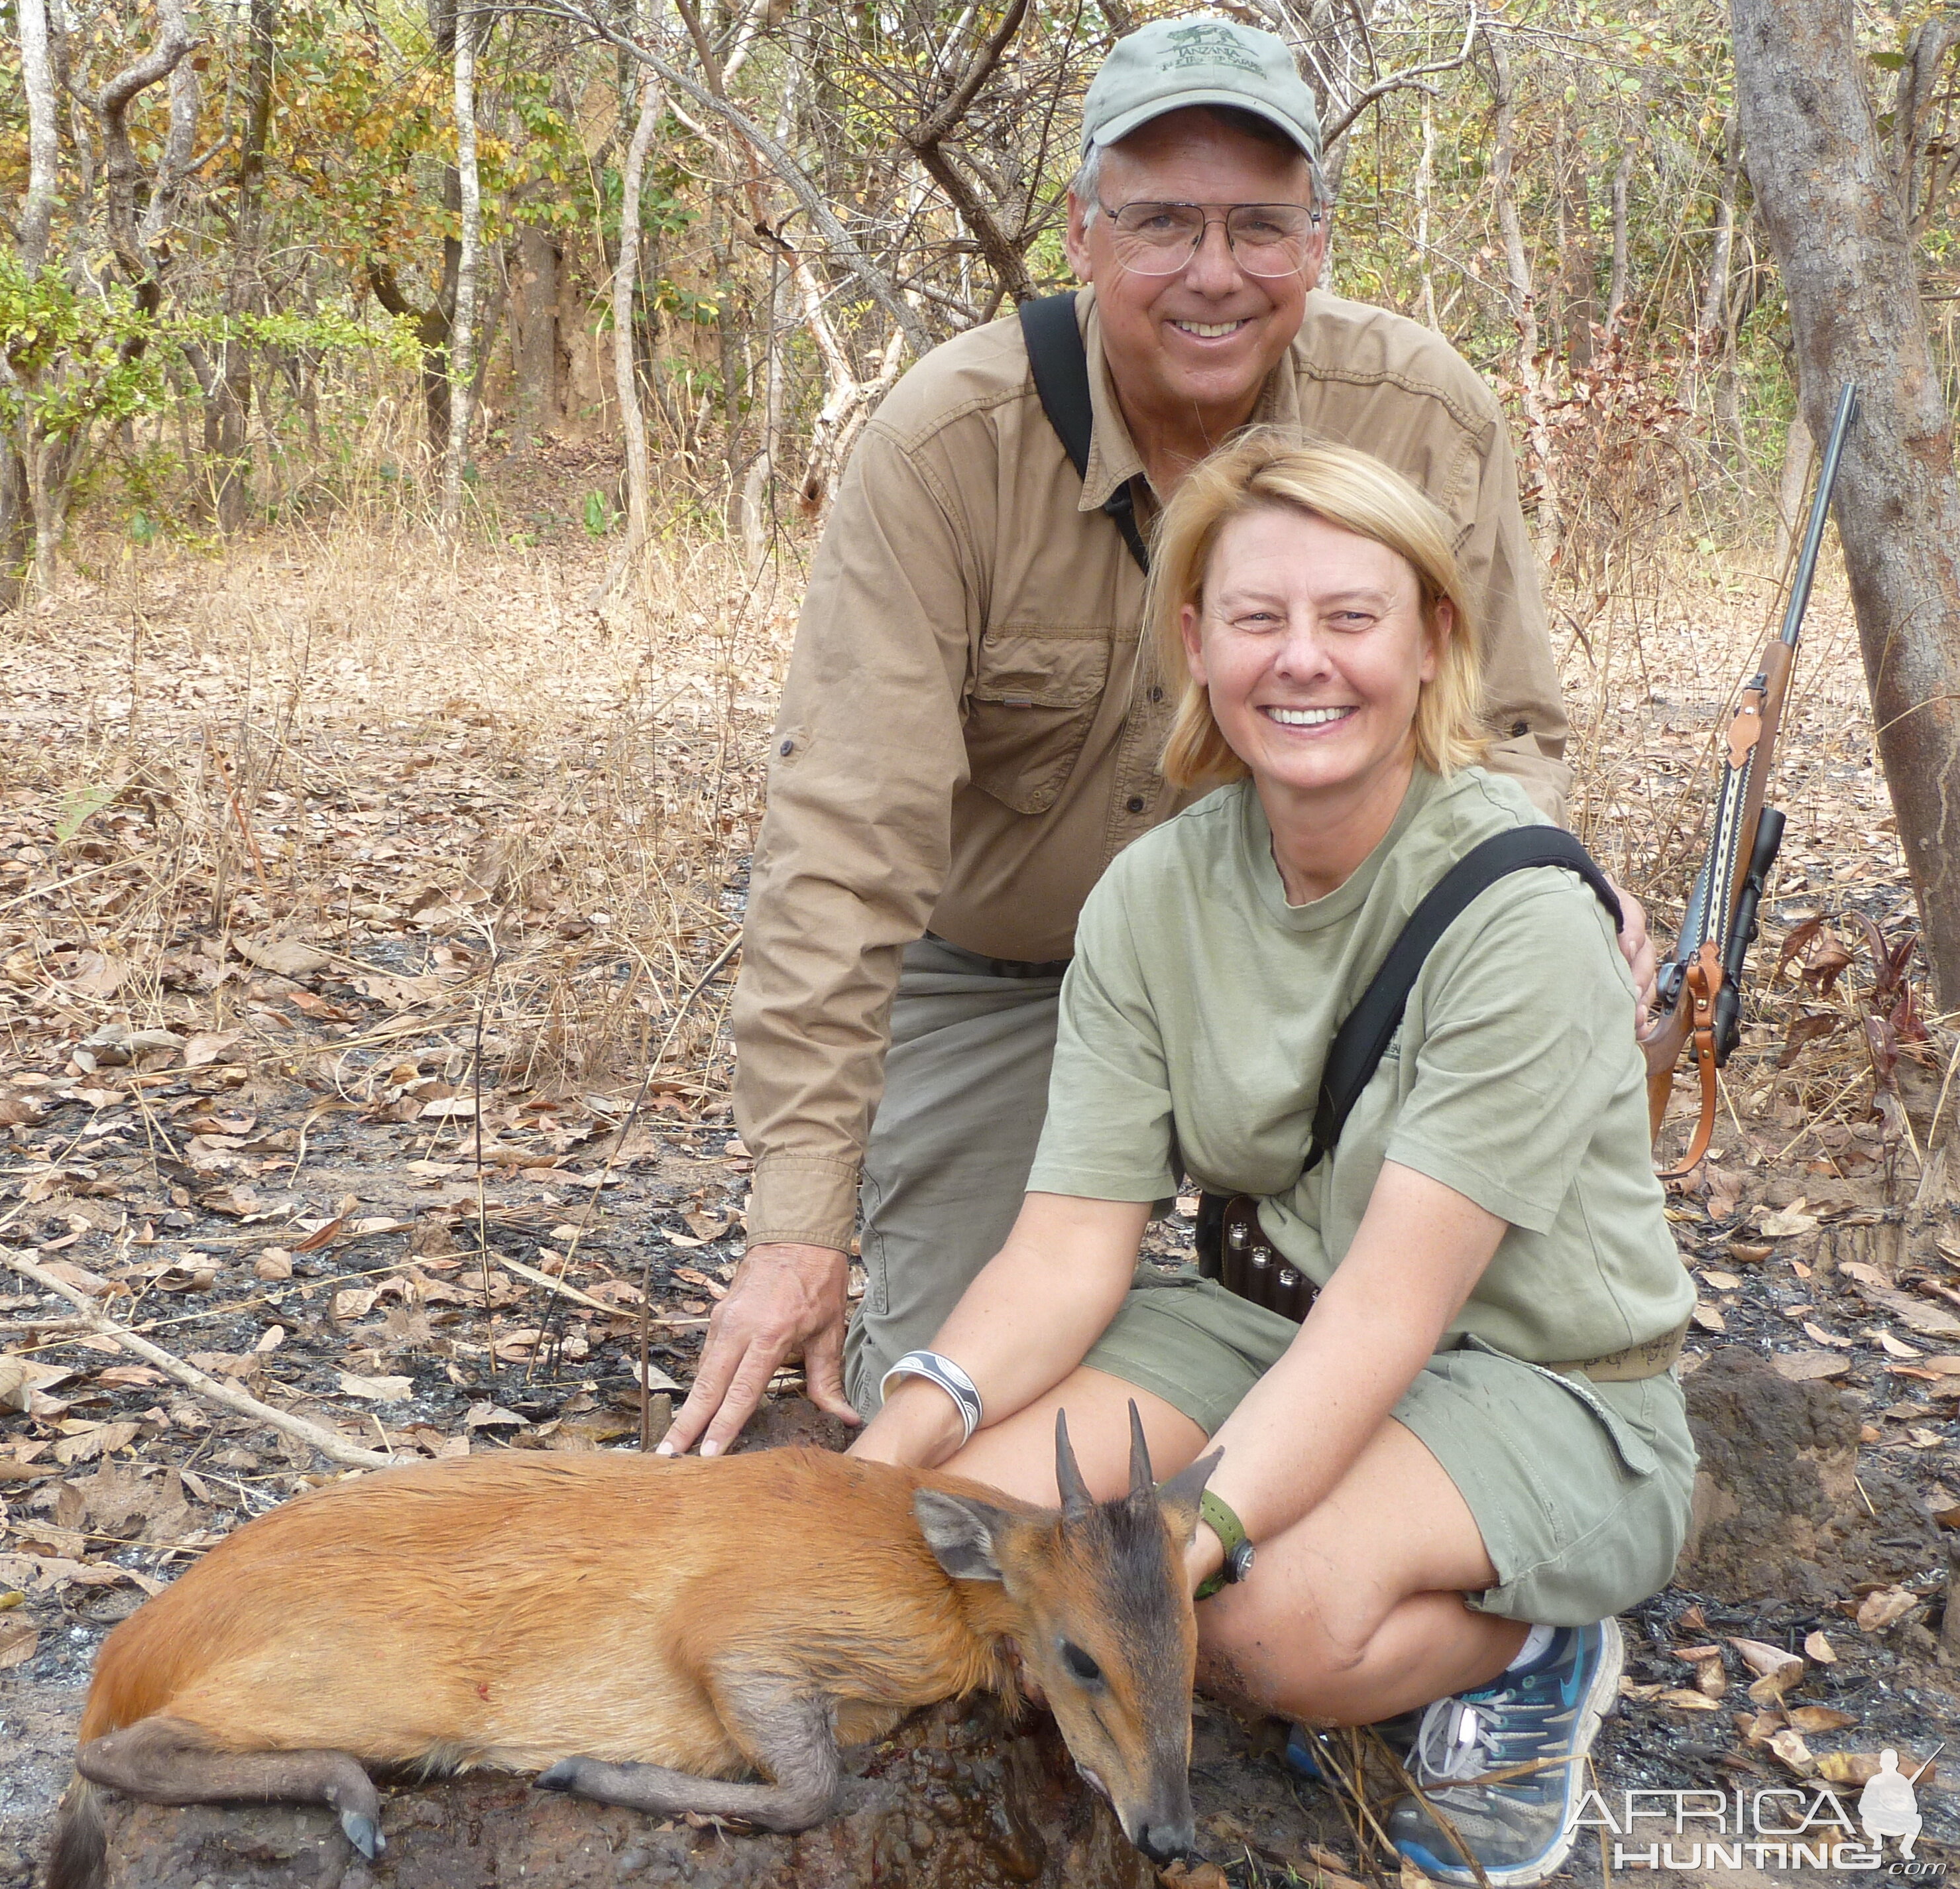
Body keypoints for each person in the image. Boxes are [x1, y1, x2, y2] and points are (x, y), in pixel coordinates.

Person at [660, 15, 1654, 1460]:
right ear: (1081, 231)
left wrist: (1542, 892)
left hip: (1332, 961)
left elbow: (1499, 726)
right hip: (1014, 979)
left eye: (1260, 225)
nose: (1214, 271)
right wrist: (799, 1226)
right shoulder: (946, 445)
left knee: (1445, 1380)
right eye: (1163, 223)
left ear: (1317, 239)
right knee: (946, 1416)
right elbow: (843, 841)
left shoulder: (1422, 410)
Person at [846, 433, 1697, 1888]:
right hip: (1261, 1320)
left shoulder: (1523, 908)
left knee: (1249, 1623)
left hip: (1542, 1377)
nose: (1304, 664)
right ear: (1195, 645)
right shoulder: (1151, 894)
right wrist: (879, 1463)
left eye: (1351, 619)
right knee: (982, 1539)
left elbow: (1390, 1314)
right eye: (1258, 620)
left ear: (1433, 640)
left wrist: (1189, 1548)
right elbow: (1064, 1252)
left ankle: (1536, 1644)